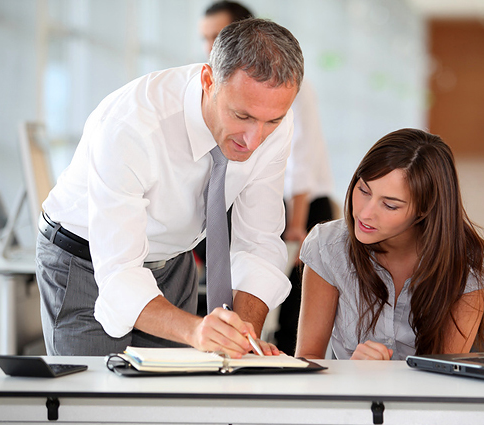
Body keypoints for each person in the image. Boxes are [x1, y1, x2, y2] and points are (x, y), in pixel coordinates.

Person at [36, 18, 304, 358]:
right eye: (242, 116)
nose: (254, 140)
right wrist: (194, 330)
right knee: (98, 390)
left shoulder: (272, 116)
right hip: (86, 261)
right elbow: (119, 273)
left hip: (173, 261)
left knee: (177, 389)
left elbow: (259, 241)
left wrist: (240, 337)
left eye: (272, 121)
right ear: (208, 81)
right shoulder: (132, 125)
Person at [295, 128, 484, 360]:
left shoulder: (470, 265)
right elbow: (308, 359)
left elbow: (445, 373)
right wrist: (351, 373)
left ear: (424, 209)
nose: (365, 214)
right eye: (364, 190)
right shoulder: (327, 246)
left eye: (390, 205)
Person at [199, 1, 336, 354]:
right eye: (206, 38)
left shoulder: (284, 84)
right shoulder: (227, 86)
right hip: (276, 200)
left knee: (295, 313)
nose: (210, 46)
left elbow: (302, 157)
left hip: (303, 204)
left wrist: (298, 224)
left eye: (217, 36)